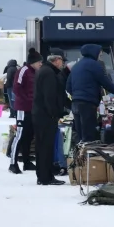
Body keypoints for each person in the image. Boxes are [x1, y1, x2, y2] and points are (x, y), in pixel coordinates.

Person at [65, 44, 114, 143]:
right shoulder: (95, 65)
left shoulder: (76, 66)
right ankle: (89, 158)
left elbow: (68, 86)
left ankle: (80, 157)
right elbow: (106, 83)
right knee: (89, 136)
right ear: (94, 53)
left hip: (75, 104)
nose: (100, 56)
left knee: (80, 136)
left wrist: (77, 95)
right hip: (87, 104)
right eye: (100, 53)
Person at [33, 50, 68, 186]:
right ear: (57, 60)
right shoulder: (49, 73)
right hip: (45, 116)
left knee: (42, 146)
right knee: (45, 147)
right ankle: (45, 177)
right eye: (62, 61)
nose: (63, 64)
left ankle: (42, 175)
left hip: (40, 114)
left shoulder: (44, 70)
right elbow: (50, 97)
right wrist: (55, 113)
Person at [9, 52, 42, 174]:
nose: (40, 64)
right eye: (39, 62)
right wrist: (27, 101)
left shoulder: (35, 72)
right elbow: (16, 88)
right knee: (20, 135)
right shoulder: (23, 70)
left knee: (29, 136)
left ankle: (27, 162)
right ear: (33, 62)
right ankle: (13, 163)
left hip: (32, 109)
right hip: (23, 109)